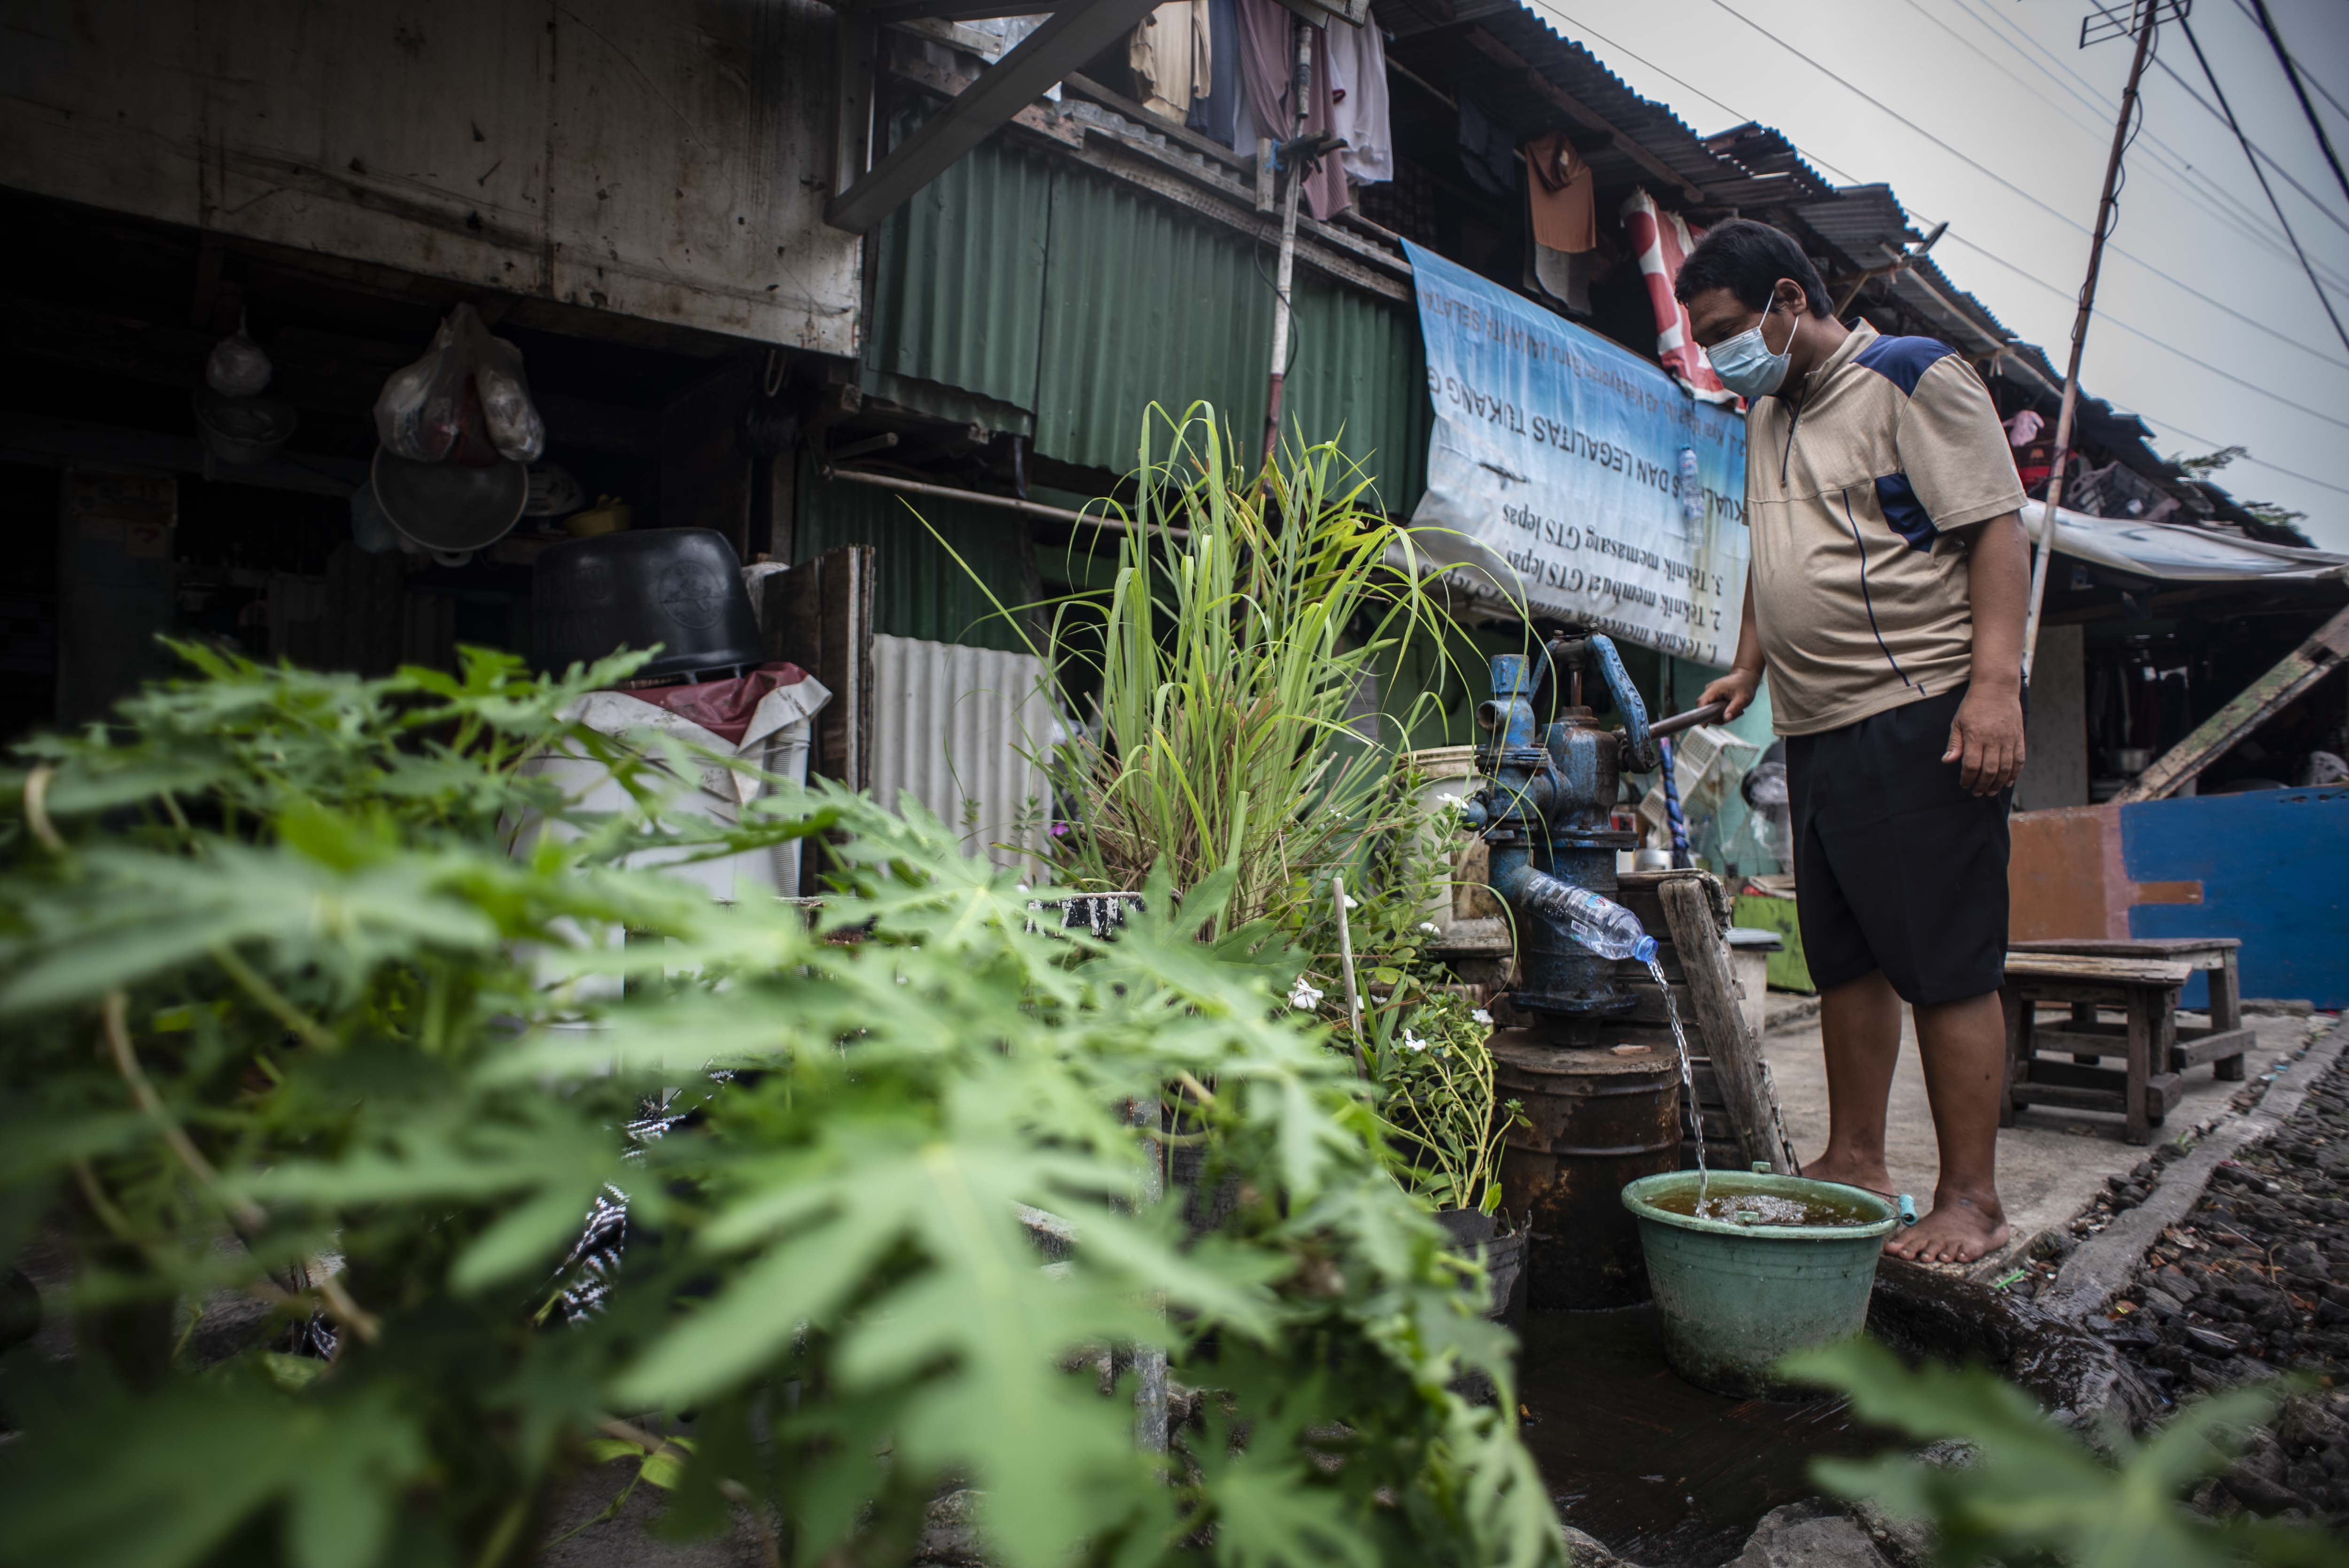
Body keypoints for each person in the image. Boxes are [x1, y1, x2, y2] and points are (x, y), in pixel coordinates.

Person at [1672, 219, 2031, 1265]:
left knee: (1946, 961)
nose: (1722, 354)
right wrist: (1748, 665)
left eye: (1731, 329)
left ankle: (1971, 1200)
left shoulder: (1914, 377)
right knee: (1847, 961)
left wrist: (1994, 691)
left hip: (1920, 707)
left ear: (1789, 300)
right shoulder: (1766, 411)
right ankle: (1857, 1159)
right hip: (1817, 724)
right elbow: (1773, 549)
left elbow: (1995, 526)